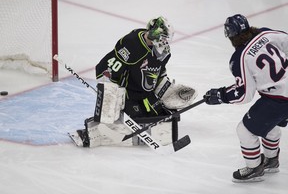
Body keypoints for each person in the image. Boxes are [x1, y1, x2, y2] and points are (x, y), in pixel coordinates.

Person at [69, 16, 197, 148]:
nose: (166, 42)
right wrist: (110, 96)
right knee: (121, 108)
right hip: (128, 94)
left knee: (160, 116)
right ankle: (94, 133)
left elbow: (158, 74)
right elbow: (105, 68)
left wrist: (167, 89)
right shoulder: (132, 44)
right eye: (163, 37)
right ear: (155, 33)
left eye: (167, 38)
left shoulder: (164, 52)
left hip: (146, 95)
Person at [204, 14, 288, 182]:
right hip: (282, 96)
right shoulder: (265, 34)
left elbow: (244, 94)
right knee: (267, 124)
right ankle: (271, 160)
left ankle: (254, 168)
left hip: (278, 100)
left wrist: (220, 95)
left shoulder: (239, 58)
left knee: (245, 130)